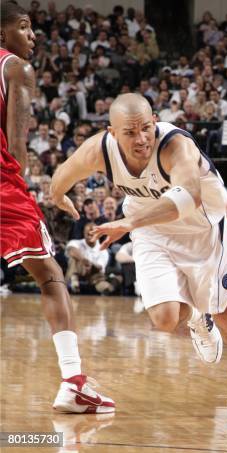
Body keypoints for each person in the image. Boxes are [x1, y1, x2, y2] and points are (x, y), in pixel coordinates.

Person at [50, 93, 227, 420]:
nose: (142, 139)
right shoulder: (98, 150)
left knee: (225, 313)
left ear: (155, 121)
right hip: (152, 229)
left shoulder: (175, 146)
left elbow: (188, 196)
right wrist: (59, 197)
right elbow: (58, 180)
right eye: (131, 132)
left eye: (146, 128)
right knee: (163, 319)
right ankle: (195, 317)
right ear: (112, 132)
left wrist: (129, 222)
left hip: (202, 228)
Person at [0, 1, 114, 413]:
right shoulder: (15, 68)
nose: (33, 36)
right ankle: (73, 383)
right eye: (25, 27)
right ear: (3, 34)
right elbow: (15, 147)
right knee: (51, 275)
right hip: (2, 186)